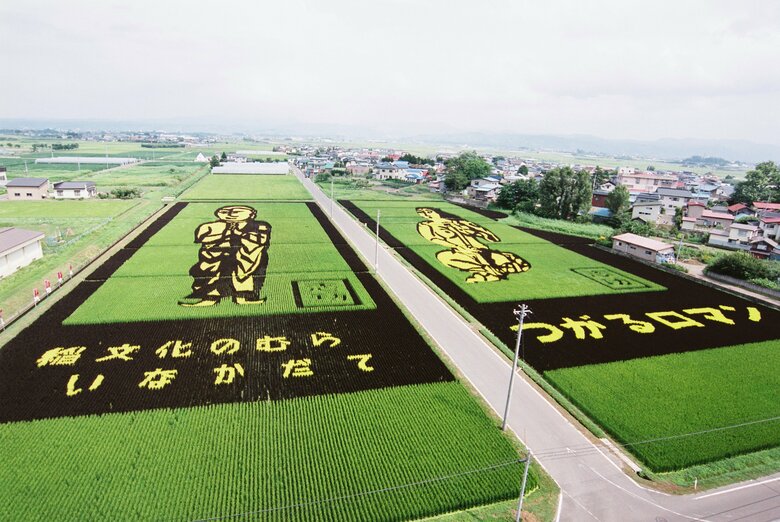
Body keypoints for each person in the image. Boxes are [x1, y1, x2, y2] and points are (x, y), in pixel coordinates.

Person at [179, 205, 271, 307]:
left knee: (245, 266)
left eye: (237, 212)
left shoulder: (260, 226)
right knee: (209, 269)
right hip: (216, 257)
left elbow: (259, 239)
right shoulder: (211, 227)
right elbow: (201, 237)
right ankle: (210, 297)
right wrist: (225, 234)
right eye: (228, 212)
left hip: (244, 255)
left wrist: (237, 233)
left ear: (252, 215)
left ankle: (242, 296)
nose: (232, 214)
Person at [416, 207, 530, 283]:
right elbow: (432, 238)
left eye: (429, 211)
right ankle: (485, 270)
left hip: (479, 247)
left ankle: (501, 268)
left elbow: (479, 230)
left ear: (436, 211)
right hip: (461, 250)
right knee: (443, 257)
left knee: (499, 257)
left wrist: (487, 235)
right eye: (423, 213)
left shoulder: (456, 221)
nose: (426, 214)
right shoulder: (425, 225)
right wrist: (458, 247)